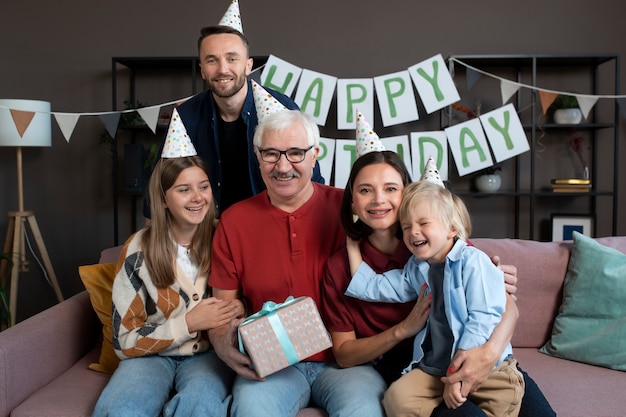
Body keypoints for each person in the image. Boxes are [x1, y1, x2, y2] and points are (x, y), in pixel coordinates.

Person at [322, 150, 555, 417]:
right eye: (365, 190)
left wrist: (487, 355)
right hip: (420, 366)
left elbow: (505, 308)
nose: (379, 199)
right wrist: (403, 329)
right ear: (352, 200)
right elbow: (372, 291)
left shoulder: (446, 247)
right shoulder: (409, 264)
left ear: (406, 195)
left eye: (390, 188)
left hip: (478, 355)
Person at [208, 109, 385, 417]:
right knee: (250, 410)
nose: (283, 166)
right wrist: (223, 344)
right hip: (273, 365)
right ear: (257, 156)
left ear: (315, 154)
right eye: (271, 154)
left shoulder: (352, 208)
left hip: (345, 362)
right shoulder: (234, 221)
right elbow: (222, 311)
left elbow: (421, 237)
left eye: (295, 153)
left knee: (364, 410)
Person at [94, 127, 245, 417]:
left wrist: (239, 306)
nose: (198, 197)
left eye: (204, 186)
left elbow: (251, 298)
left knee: (201, 407)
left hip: (208, 356)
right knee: (120, 410)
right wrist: (188, 322)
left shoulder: (225, 237)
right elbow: (124, 341)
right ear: (163, 199)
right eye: (183, 189)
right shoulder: (138, 250)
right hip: (150, 357)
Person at [344, 179, 525, 417]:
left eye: (423, 223)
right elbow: (379, 286)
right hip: (435, 369)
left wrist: (457, 376)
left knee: (501, 403)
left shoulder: (473, 261)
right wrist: (352, 248)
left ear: (451, 228)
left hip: (490, 370)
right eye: (406, 227)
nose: (413, 232)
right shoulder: (418, 268)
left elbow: (483, 319)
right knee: (396, 399)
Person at [148, 24, 324, 217]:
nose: (223, 69)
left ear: (248, 65)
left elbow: (312, 179)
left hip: (273, 223)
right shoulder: (186, 116)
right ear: (202, 70)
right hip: (209, 230)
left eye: (232, 59)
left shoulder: (281, 108)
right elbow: (159, 188)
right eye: (212, 60)